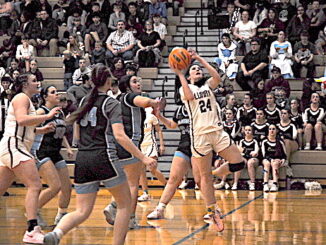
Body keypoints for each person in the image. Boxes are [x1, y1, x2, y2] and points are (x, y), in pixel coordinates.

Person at [43, 65, 157, 244]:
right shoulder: (111, 103)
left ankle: (56, 233)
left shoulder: (83, 102)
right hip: (104, 156)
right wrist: (143, 157)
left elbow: (77, 129)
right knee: (125, 204)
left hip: (83, 158)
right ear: (108, 81)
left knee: (82, 211)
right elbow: (119, 135)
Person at [175, 49, 245, 231]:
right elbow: (189, 97)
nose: (197, 70)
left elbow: (217, 77)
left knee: (238, 163)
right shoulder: (185, 89)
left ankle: (218, 173)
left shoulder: (207, 86)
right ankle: (212, 211)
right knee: (204, 177)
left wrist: (199, 59)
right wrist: (180, 73)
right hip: (199, 136)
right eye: (194, 69)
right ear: (188, 75)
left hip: (218, 131)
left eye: (199, 69)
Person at [0, 73, 61, 243]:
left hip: (13, 147)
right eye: (34, 80)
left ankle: (32, 229)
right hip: (14, 146)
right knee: (35, 185)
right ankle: (32, 230)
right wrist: (47, 117)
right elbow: (21, 120)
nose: (38, 82)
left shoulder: (26, 100)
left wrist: (42, 130)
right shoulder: (21, 97)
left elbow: (25, 127)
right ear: (25, 84)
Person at [103, 75, 160, 229]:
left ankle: (114, 205)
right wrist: (155, 102)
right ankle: (130, 219)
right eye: (134, 81)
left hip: (117, 145)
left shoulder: (118, 99)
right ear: (127, 86)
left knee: (125, 183)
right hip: (130, 145)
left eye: (139, 80)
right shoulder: (130, 96)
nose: (138, 83)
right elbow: (146, 102)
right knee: (133, 185)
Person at [31, 85, 73, 227]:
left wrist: (67, 147)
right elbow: (28, 129)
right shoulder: (41, 112)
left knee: (67, 187)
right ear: (45, 97)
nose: (57, 94)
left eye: (57, 92)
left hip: (55, 152)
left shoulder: (59, 113)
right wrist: (42, 130)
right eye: (53, 92)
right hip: (41, 151)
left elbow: (62, 133)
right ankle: (33, 211)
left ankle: (61, 214)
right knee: (55, 186)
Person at [147, 104, 198, 219]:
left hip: (200, 147)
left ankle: (213, 210)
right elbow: (171, 125)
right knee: (173, 179)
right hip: (184, 146)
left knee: (201, 181)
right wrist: (159, 116)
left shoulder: (201, 107)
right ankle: (160, 209)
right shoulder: (180, 109)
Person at [138, 107, 166, 201]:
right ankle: (145, 193)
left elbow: (159, 130)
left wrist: (161, 145)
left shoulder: (151, 116)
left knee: (152, 168)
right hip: (141, 145)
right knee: (141, 170)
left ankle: (168, 186)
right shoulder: (136, 118)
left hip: (151, 145)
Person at [261, 124, 287, 192]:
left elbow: (284, 155)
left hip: (277, 159)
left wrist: (283, 160)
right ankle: (265, 183)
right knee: (266, 164)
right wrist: (270, 159)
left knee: (275, 164)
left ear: (276, 131)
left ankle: (275, 183)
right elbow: (264, 155)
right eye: (270, 129)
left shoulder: (280, 141)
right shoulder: (264, 141)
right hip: (267, 159)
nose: (271, 131)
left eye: (273, 129)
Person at [238, 125, 260, 191]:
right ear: (244, 131)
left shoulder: (255, 141)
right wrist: (246, 153)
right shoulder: (241, 141)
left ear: (252, 131)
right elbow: (240, 152)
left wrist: (249, 153)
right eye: (246, 130)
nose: (248, 132)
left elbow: (256, 152)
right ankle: (235, 183)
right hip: (245, 157)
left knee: (250, 162)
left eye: (249, 130)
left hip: (254, 159)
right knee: (239, 161)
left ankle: (252, 183)